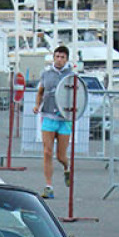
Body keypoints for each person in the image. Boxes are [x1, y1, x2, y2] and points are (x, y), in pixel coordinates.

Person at [33, 45, 74, 199]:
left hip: (64, 119)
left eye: (62, 57)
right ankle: (48, 186)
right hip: (49, 116)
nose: (59, 60)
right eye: (57, 56)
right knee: (47, 152)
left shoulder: (71, 75)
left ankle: (66, 167)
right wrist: (37, 105)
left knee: (61, 156)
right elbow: (40, 92)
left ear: (66, 59)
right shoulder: (46, 74)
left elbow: (78, 95)